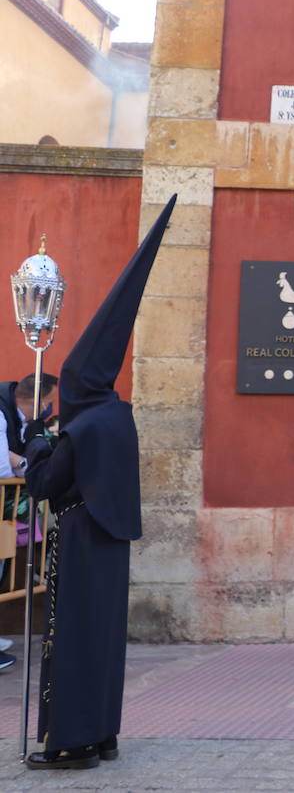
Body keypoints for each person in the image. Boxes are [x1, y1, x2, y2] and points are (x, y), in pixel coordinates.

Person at [20, 196, 177, 769]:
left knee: (74, 644)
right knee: (104, 643)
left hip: (82, 540)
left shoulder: (84, 426)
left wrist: (37, 443)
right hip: (109, 548)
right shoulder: (119, 416)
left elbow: (47, 483)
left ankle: (70, 742)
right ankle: (103, 733)